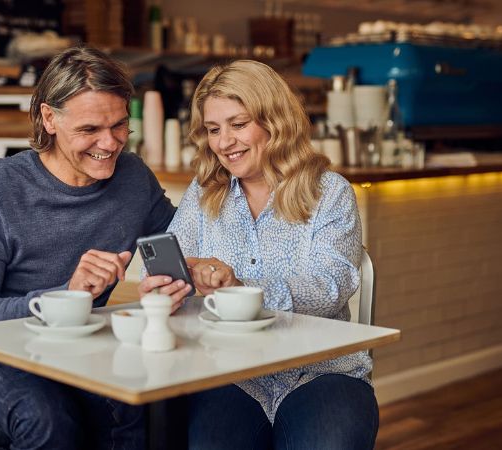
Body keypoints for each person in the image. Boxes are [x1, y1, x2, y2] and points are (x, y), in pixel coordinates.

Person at [0, 46, 182, 450]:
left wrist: (181, 275)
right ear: (49, 118)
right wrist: (64, 298)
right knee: (48, 421)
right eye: (89, 130)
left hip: (75, 346)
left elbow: (180, 241)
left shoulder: (133, 179)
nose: (110, 143)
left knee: (144, 405)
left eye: (121, 125)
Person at [139, 60, 378, 449]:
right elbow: (175, 270)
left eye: (238, 124)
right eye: (214, 130)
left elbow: (333, 286)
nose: (224, 141)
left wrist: (241, 289)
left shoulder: (329, 192)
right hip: (229, 374)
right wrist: (165, 290)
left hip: (319, 370)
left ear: (275, 120)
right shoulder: (204, 194)